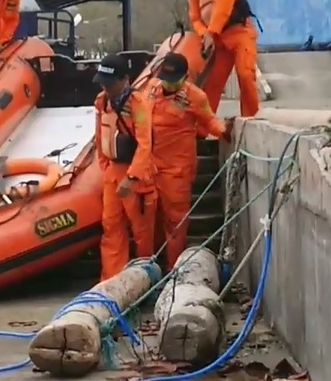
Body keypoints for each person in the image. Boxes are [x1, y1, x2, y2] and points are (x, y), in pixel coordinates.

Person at [146, 53, 232, 269]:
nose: (168, 84)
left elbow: (209, 120)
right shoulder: (151, 91)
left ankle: (173, 268)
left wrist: (224, 130)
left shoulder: (195, 96)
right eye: (165, 79)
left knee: (175, 222)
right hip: (149, 166)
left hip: (177, 169)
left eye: (174, 81)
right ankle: (150, 267)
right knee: (149, 222)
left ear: (185, 77)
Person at [92, 53, 157, 281]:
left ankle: (146, 279)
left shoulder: (138, 104)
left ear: (125, 80)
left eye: (109, 83)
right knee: (111, 229)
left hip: (137, 177)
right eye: (103, 83)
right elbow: (100, 136)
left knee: (142, 232)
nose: (105, 88)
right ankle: (111, 280)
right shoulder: (102, 102)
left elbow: (144, 144)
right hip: (112, 172)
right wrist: (105, 165)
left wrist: (131, 177)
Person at [180, 0, 261, 117]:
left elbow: (222, 10)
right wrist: (205, 34)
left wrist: (211, 32)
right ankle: (204, 126)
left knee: (246, 75)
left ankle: (251, 118)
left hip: (240, 34)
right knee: (213, 83)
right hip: (219, 40)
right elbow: (195, 19)